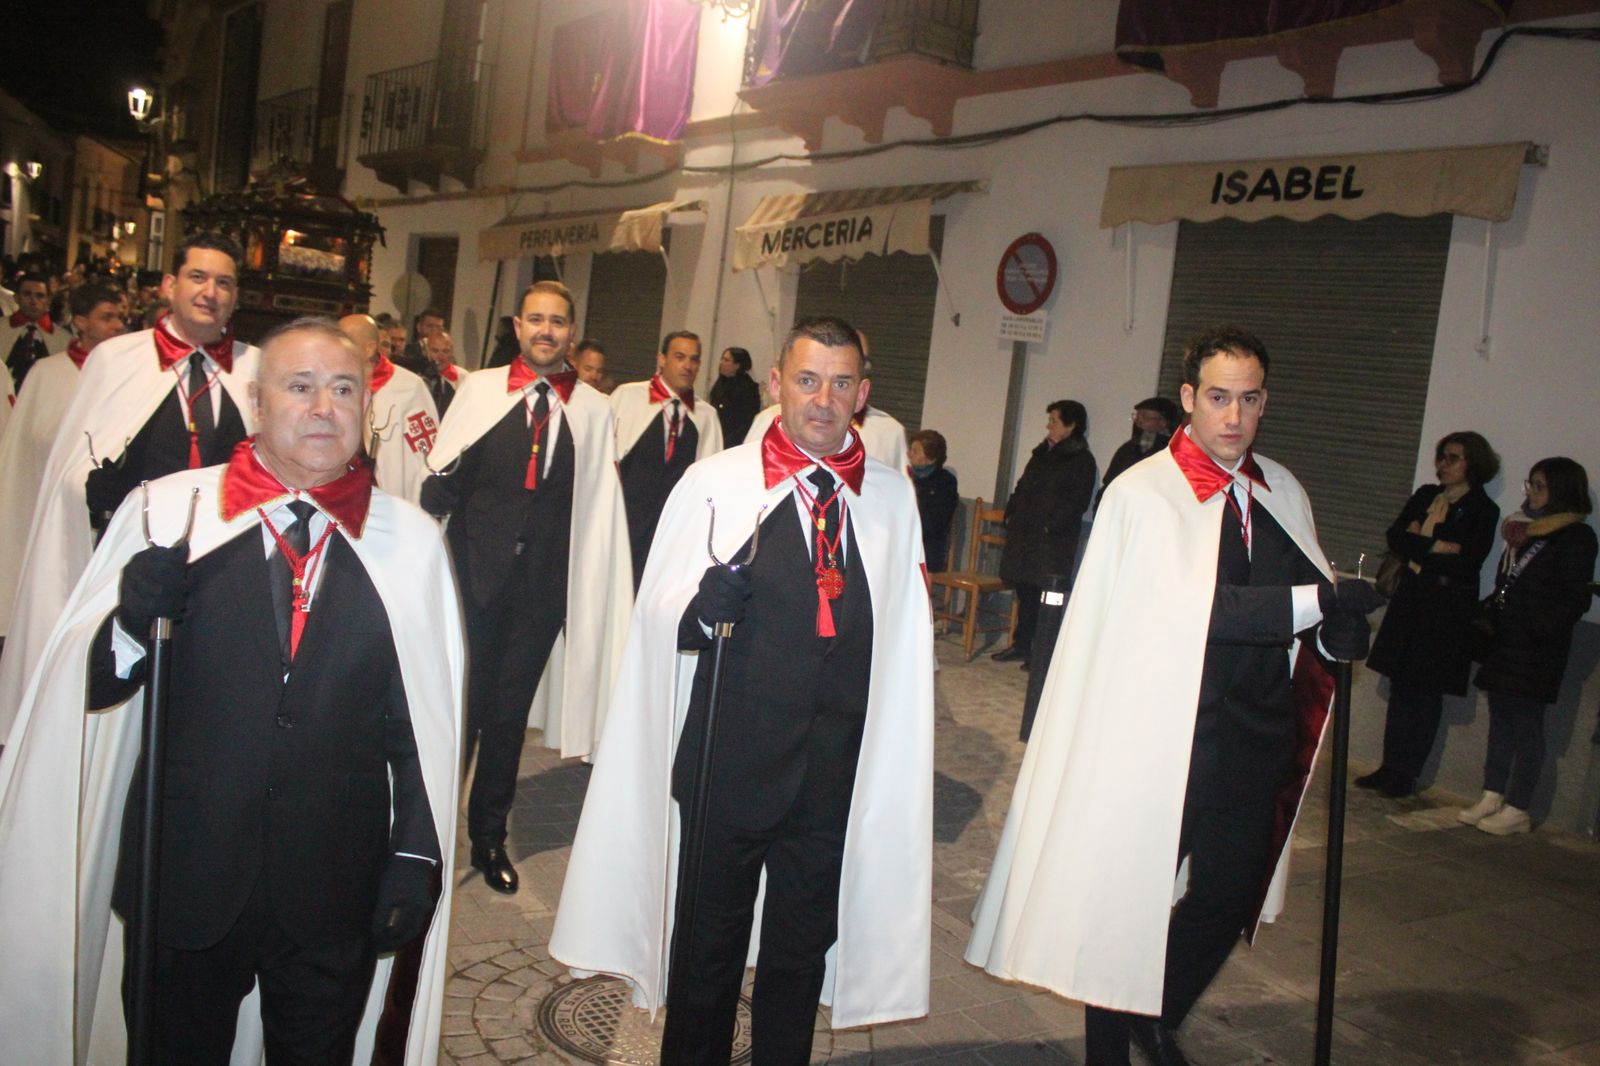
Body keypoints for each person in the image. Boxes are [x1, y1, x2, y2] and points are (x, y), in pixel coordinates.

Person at [0, 317, 463, 1064]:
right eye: (300, 386)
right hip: (185, 874)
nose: (324, 408)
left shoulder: (408, 543)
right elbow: (89, 687)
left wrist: (415, 853)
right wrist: (131, 622)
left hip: (333, 886)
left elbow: (420, 722)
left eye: (344, 389)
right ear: (256, 401)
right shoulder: (169, 512)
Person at [965, 326, 1381, 1066]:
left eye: (1249, 399)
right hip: (1156, 739)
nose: (1234, 416)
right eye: (1218, 397)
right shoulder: (1143, 493)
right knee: (1121, 905)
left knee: (1229, 895)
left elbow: (1306, 606)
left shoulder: (1281, 490)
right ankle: (1107, 1051)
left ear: (1265, 402)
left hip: (1253, 734)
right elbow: (1188, 608)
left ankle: (1155, 1011)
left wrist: (1335, 635)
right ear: (1189, 397)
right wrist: (1318, 603)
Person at [550, 315, 934, 1064]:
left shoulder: (890, 498)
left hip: (832, 772)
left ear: (863, 394)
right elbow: (658, 616)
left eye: (842, 383)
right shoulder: (717, 483)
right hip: (727, 765)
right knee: (707, 953)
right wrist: (697, 610)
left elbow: (904, 636)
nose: (824, 399)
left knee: (800, 952)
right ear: (777, 384)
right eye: (808, 380)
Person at [0, 233, 259, 742]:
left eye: (224, 282)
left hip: (219, 574)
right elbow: (73, 469)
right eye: (198, 277)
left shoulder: (255, 369)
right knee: (118, 720)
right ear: (169, 285)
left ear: (235, 297)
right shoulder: (117, 360)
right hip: (127, 565)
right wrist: (91, 486)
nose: (210, 292)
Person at [420, 280, 631, 894]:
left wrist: (583, 594)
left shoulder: (593, 409)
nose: (546, 330)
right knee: (460, 709)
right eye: (535, 319)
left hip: (540, 590)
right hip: (472, 577)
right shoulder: (480, 390)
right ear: (517, 327)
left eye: (557, 321)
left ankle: (489, 838)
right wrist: (437, 490)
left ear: (571, 332)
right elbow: (449, 471)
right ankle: (429, 837)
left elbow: (598, 510)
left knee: (508, 718)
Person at [1458, 458, 1597, 835]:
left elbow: (1575, 597)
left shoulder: (1576, 536)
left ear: (1562, 490)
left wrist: (1539, 629)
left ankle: (1519, 806)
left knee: (1527, 725)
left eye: (1540, 486)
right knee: (1500, 721)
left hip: (1537, 648)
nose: (1531, 492)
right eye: (1530, 484)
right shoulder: (1525, 530)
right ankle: (1492, 792)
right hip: (1507, 640)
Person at [1360, 431, 1501, 797]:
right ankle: (1389, 766)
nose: (1442, 464)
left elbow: (1468, 560)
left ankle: (1406, 773)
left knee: (1424, 693)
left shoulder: (1483, 509)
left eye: (1453, 458)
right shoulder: (1426, 495)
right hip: (1411, 601)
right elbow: (1396, 537)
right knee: (1400, 687)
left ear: (1473, 464)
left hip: (1445, 613)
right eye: (1441, 456)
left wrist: (1419, 542)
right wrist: (1438, 546)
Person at [0, 284, 126, 640]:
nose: (118, 325)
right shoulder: (47, 373)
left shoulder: (130, 375)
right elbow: (22, 451)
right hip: (49, 510)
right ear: (80, 322)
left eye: (120, 317)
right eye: (107, 317)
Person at [610, 331, 724, 587]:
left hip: (671, 530)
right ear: (662, 359)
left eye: (694, 359)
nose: (688, 366)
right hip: (624, 521)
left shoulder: (706, 417)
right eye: (679, 357)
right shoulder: (627, 397)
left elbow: (709, 484)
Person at [990, 400, 1096, 669]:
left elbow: (1077, 502)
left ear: (1071, 426)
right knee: (1025, 592)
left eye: (1054, 421)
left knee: (1046, 597)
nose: (1049, 426)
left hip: (1051, 541)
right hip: (1026, 536)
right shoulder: (1042, 454)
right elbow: (1023, 486)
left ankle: (1042, 652)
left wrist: (1050, 525)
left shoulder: (1081, 460)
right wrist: (1011, 513)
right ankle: (1021, 645)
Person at [338, 313, 439, 501]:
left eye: (344, 344)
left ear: (369, 349)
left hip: (385, 497)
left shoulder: (408, 387)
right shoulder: (330, 385)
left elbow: (421, 457)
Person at [1098, 396, 1179, 507]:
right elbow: (1109, 482)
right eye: (1137, 416)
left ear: (1163, 422)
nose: (1138, 421)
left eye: (1145, 417)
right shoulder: (1127, 449)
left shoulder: (1173, 453)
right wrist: (1100, 506)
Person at [0, 272, 69, 394]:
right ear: (16, 298)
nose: (33, 301)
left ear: (48, 300)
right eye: (27, 294)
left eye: (40, 296)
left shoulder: (64, 340)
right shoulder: (2, 328)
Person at [909, 429, 959, 572]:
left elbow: (936, 523)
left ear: (931, 458)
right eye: (910, 449)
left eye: (915, 451)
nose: (909, 454)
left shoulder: (945, 482)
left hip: (927, 546)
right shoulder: (904, 476)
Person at [709, 345, 761, 446]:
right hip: (716, 435)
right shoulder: (721, 383)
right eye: (722, 359)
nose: (721, 363)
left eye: (726, 360)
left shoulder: (748, 389)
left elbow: (746, 422)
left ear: (737, 365)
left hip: (733, 441)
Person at [422, 330, 460, 416]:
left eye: (445, 351)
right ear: (426, 352)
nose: (440, 356)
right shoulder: (418, 376)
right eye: (435, 351)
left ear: (452, 352)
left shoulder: (463, 376)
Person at [398, 308, 444, 373]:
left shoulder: (446, 355)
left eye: (438, 327)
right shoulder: (407, 351)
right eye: (430, 326)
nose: (434, 330)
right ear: (419, 327)